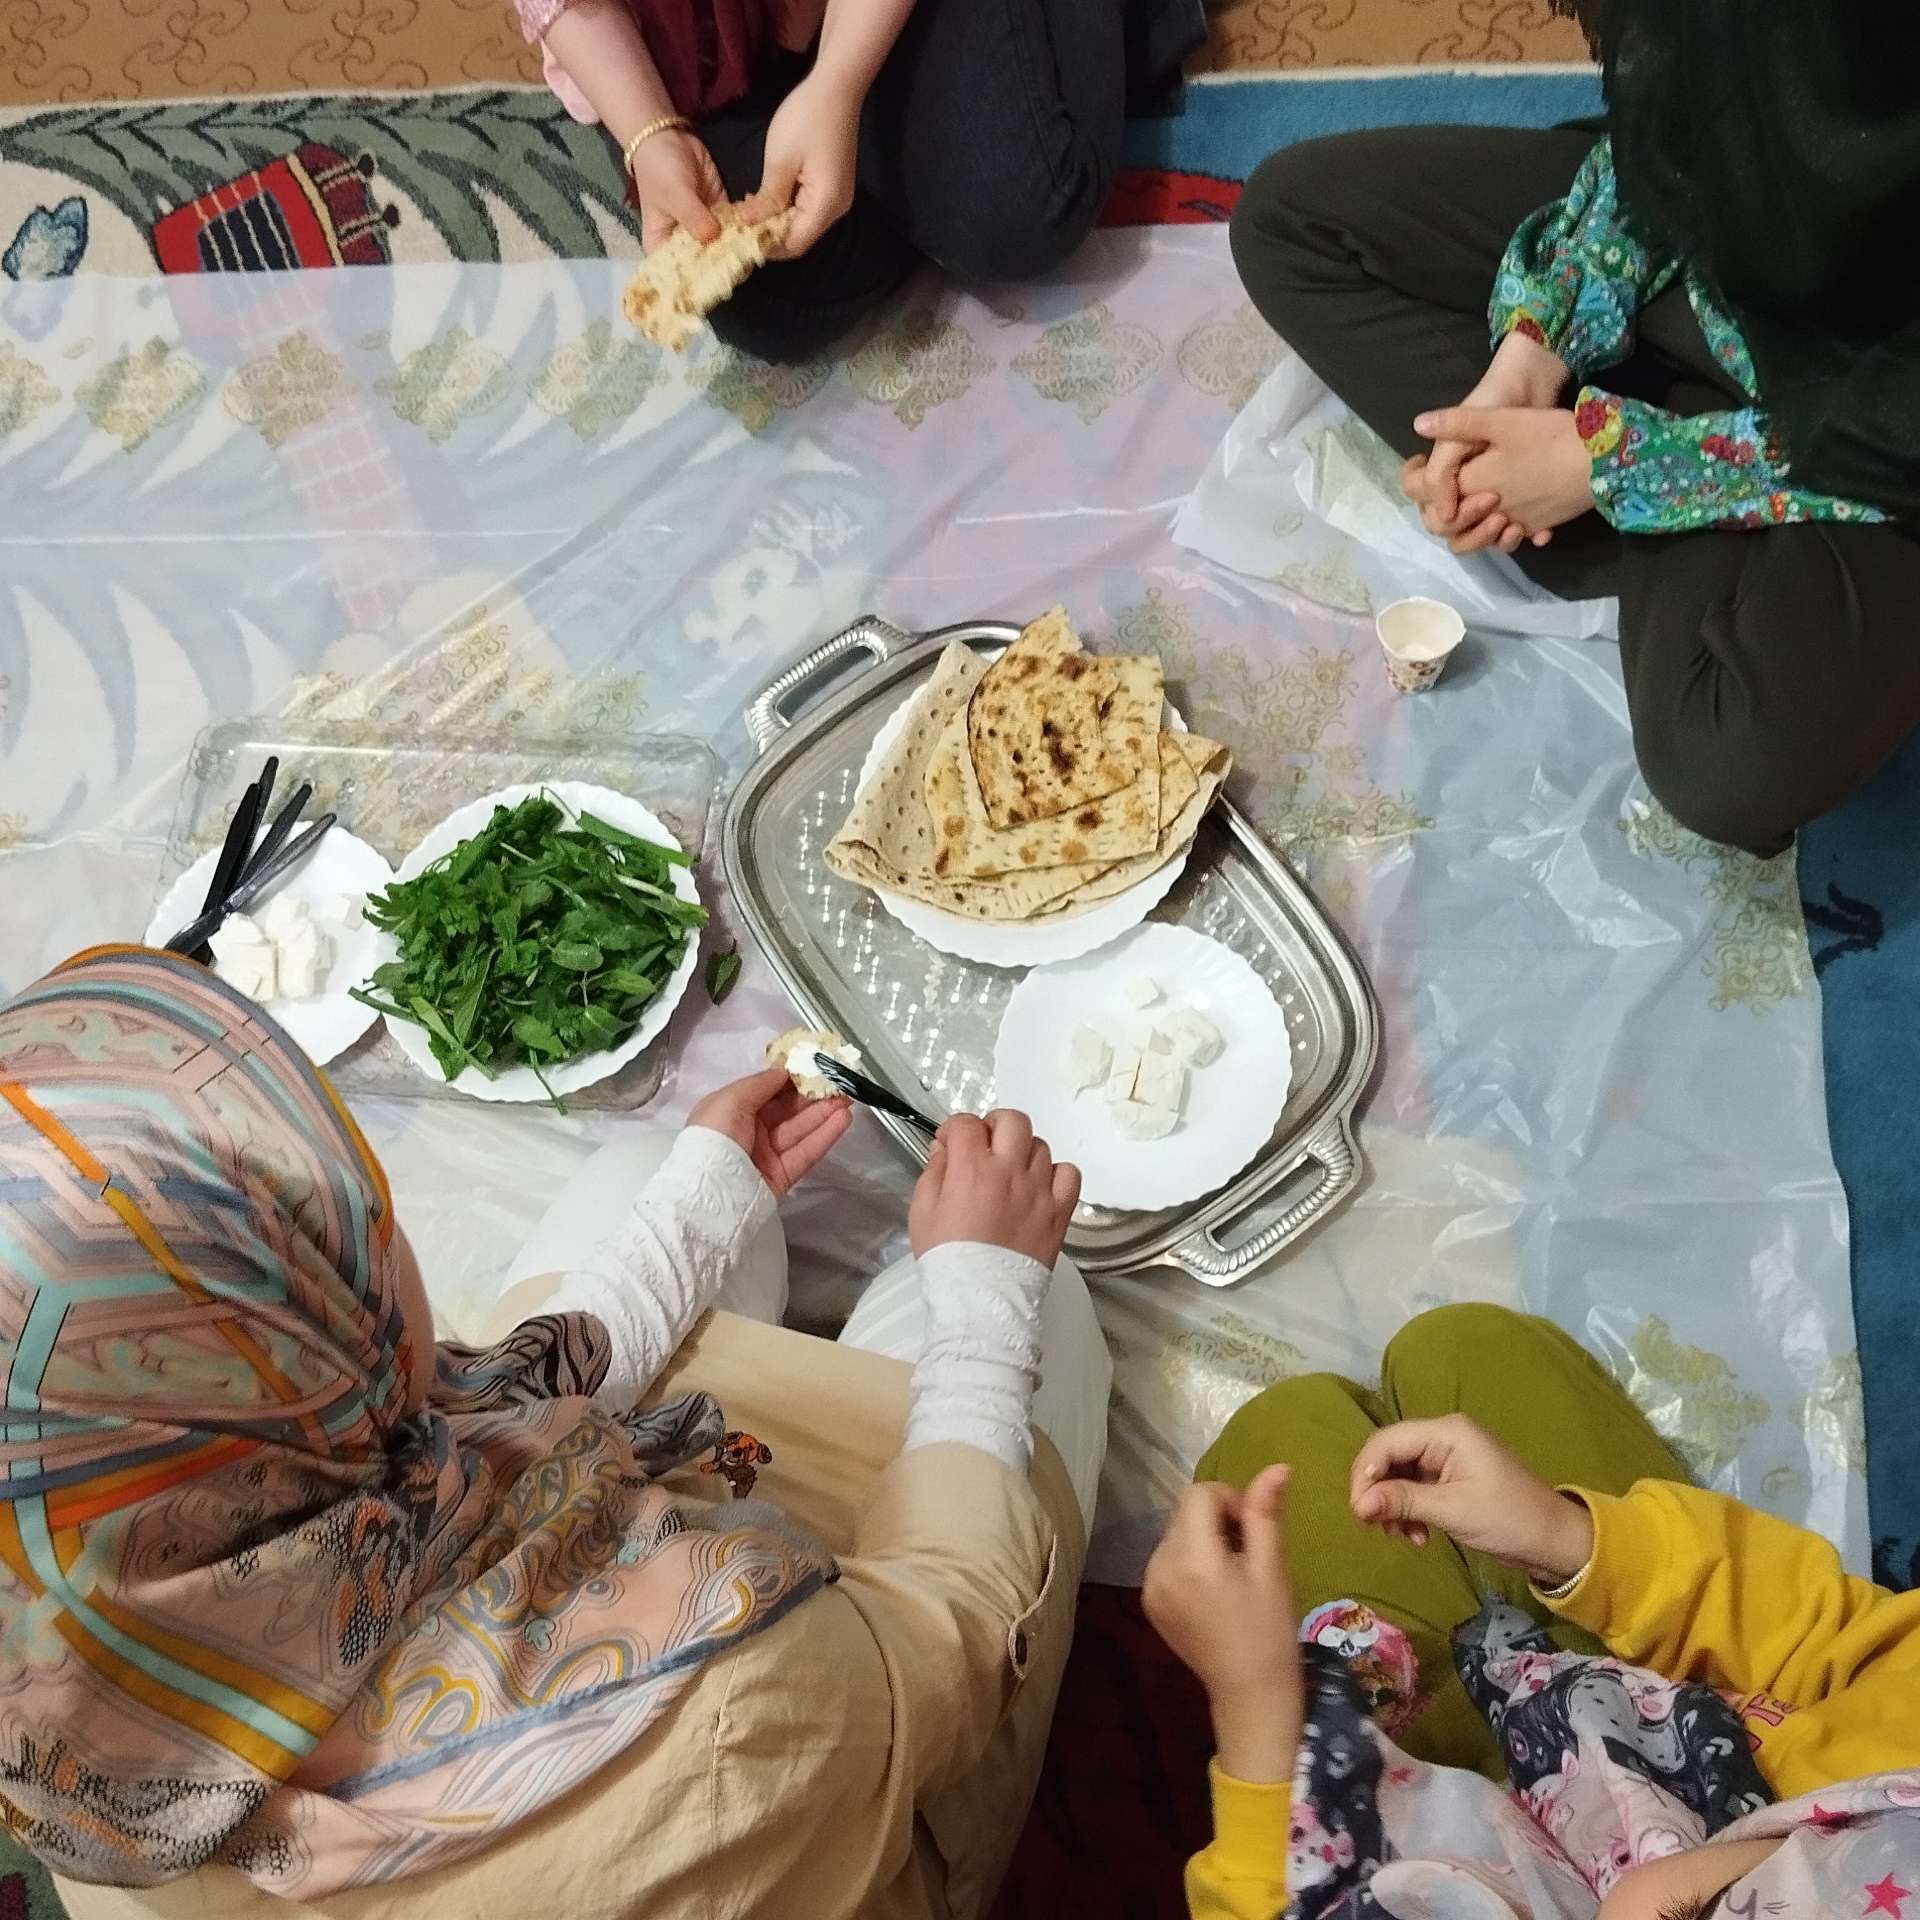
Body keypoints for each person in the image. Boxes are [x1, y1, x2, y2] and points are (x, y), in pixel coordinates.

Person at [0, 945, 1113, 1920]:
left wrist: (696, 1214)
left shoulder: (80, 1654)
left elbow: (465, 1411)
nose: (378, 1234)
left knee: (640, 1174)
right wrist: (989, 1294)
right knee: (1051, 1310)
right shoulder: (712, 1714)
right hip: (823, 1757)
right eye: (335, 1240)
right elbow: (937, 1652)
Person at [1227, 1, 1920, 857]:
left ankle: (1622, 499)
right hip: (1719, 283)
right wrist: (1533, 352)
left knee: (1726, 771)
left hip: (1875, 430)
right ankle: (1615, 495)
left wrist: (1619, 463)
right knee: (1291, 221)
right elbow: (1679, 132)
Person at [1143, 1303, 1920, 1919]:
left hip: (1431, 1818)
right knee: (1464, 1344)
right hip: (1694, 1700)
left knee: (1281, 1428)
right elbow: (1845, 1641)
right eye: (1701, 1907)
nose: (1630, 1898)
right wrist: (1576, 1543)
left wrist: (1257, 1713)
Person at [517, 0, 1206, 364]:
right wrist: (651, 134)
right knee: (761, 304)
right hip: (711, 45)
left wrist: (840, 80)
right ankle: (908, 161)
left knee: (1026, 209)